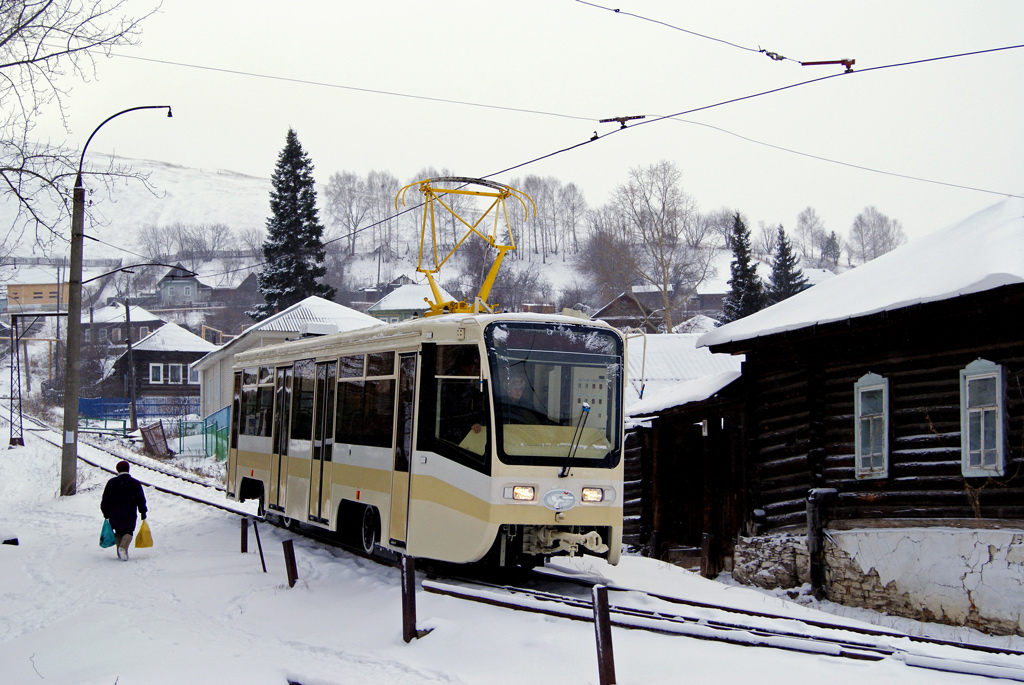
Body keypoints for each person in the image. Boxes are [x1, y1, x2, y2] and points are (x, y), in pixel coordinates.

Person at [101, 461, 148, 561]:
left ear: (117, 469)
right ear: (128, 469)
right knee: (128, 532)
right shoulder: (135, 483)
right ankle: (123, 548)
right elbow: (140, 499)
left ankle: (121, 552)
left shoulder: (111, 483)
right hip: (129, 512)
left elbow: (105, 499)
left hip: (115, 513)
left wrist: (105, 511)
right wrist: (143, 512)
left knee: (118, 532)